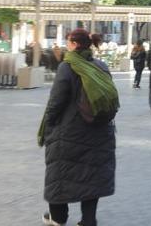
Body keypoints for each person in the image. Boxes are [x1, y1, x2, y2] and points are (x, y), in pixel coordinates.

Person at [39, 29, 117, 226]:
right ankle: (88, 220)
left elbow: (56, 102)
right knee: (91, 175)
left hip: (70, 132)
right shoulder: (100, 65)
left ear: (73, 43)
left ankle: (57, 218)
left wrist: (48, 126)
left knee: (60, 174)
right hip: (100, 131)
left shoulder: (68, 66)